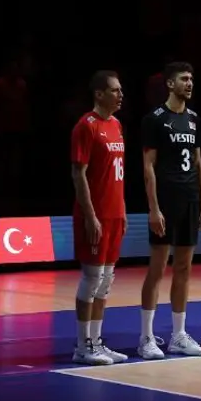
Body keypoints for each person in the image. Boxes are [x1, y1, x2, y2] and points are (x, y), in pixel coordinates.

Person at [138, 62, 201, 359]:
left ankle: (178, 335)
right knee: (157, 269)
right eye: (184, 79)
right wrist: (154, 208)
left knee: (184, 268)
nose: (189, 83)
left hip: (190, 200)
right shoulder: (155, 119)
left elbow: (199, 163)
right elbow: (148, 167)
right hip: (166, 202)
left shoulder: (193, 119)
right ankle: (146, 337)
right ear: (170, 84)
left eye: (191, 79)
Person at [70, 70, 129, 365]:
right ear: (99, 94)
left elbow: (118, 174)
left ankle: (97, 341)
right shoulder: (86, 126)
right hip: (95, 215)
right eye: (115, 90)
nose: (120, 95)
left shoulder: (116, 125)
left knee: (106, 280)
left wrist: (123, 209)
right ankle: (83, 346)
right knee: (92, 278)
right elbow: (78, 174)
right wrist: (90, 215)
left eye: (120, 90)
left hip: (115, 213)